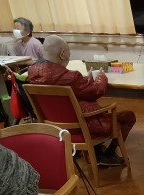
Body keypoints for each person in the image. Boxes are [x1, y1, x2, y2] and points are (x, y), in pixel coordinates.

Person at [27, 35, 136, 166]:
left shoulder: (32, 73)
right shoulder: (71, 77)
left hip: (55, 128)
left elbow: (75, 88)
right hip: (82, 126)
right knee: (128, 116)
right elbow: (95, 92)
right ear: (62, 53)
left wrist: (85, 80)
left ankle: (97, 153)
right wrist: (101, 77)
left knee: (87, 108)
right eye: (69, 52)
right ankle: (109, 154)